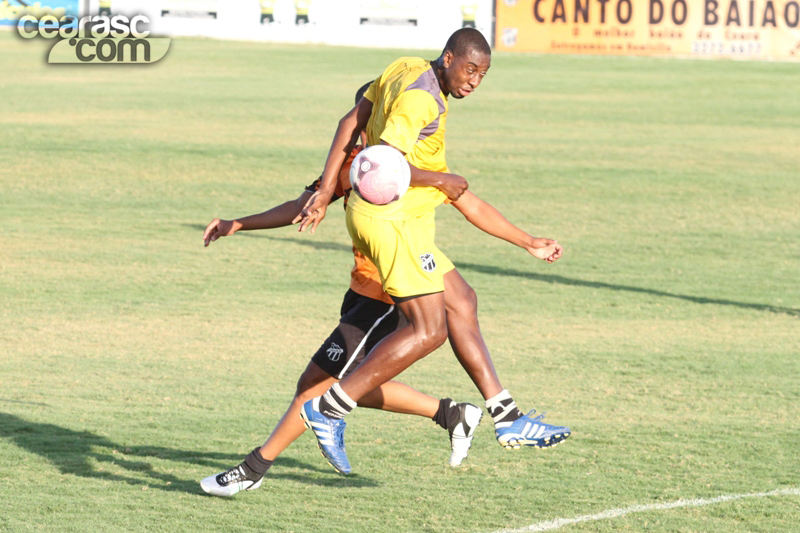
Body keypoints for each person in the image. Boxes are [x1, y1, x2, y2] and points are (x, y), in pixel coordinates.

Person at [295, 28, 570, 475]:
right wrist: (438, 180)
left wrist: (527, 242)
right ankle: (330, 408)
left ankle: (508, 417)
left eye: (483, 74)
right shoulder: (422, 101)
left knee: (461, 300)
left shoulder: (405, 67)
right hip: (390, 224)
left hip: (402, 225)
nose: (474, 81)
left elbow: (352, 121)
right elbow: (379, 163)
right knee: (428, 330)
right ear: (448, 58)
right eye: (469, 69)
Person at [198, 84, 484, 497]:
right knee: (350, 382)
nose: (357, 127)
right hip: (361, 290)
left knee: (316, 384)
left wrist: (528, 241)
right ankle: (452, 414)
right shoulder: (355, 163)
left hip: (385, 295)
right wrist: (237, 224)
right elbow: (305, 203)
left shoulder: (401, 167)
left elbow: (458, 198)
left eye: (366, 117)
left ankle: (252, 469)